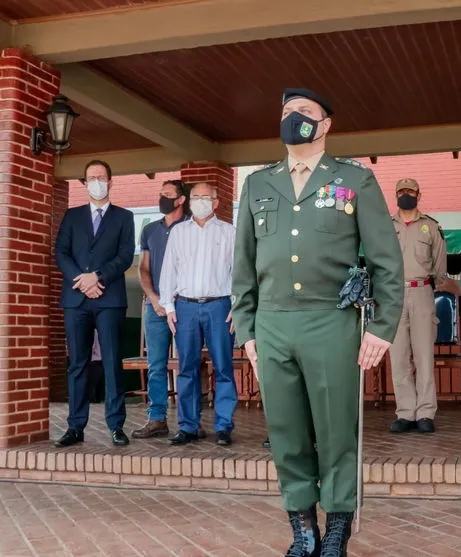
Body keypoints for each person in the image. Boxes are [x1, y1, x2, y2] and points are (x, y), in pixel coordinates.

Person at [231, 88, 403, 556]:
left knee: (334, 431)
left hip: (332, 321)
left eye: (304, 112)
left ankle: (337, 530)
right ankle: (302, 528)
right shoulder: (257, 184)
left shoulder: (354, 180)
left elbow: (387, 261)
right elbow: (243, 264)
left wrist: (382, 327)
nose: (293, 119)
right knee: (285, 433)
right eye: (286, 112)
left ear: (325, 124)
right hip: (272, 325)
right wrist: (246, 329)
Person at [54, 159, 135, 447]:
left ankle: (116, 425)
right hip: (76, 299)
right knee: (77, 363)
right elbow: (61, 253)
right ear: (85, 183)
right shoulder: (71, 216)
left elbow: (125, 256)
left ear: (110, 182)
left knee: (113, 362)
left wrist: (97, 277)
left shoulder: (124, 217)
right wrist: (82, 280)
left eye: (101, 177)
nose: (97, 182)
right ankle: (75, 427)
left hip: (109, 298)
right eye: (91, 177)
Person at [159, 182, 238, 446]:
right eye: (195, 197)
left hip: (220, 306)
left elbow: (239, 273)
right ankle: (188, 426)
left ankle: (224, 426)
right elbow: (168, 269)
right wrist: (169, 305)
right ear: (189, 201)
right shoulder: (178, 232)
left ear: (216, 202)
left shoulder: (230, 232)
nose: (200, 201)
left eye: (206, 197)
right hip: (186, 307)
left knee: (224, 367)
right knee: (187, 368)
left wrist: (237, 307)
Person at [131, 179, 190, 439]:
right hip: (154, 308)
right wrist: (154, 298)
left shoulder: (191, 228)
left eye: (167, 194)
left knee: (189, 363)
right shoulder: (149, 230)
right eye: (160, 193)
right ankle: (157, 419)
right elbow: (143, 268)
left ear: (180, 199)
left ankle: (190, 421)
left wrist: (174, 300)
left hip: (184, 306)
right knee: (156, 365)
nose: (161, 198)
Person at [389, 177, 447, 435]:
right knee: (398, 356)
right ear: (396, 196)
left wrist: (434, 285)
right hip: (393, 294)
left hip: (422, 291)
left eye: (410, 192)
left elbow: (440, 265)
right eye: (401, 192)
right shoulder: (386, 226)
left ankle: (425, 412)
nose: (405, 196)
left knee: (423, 356)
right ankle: (405, 413)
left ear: (419, 195)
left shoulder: (431, 227)